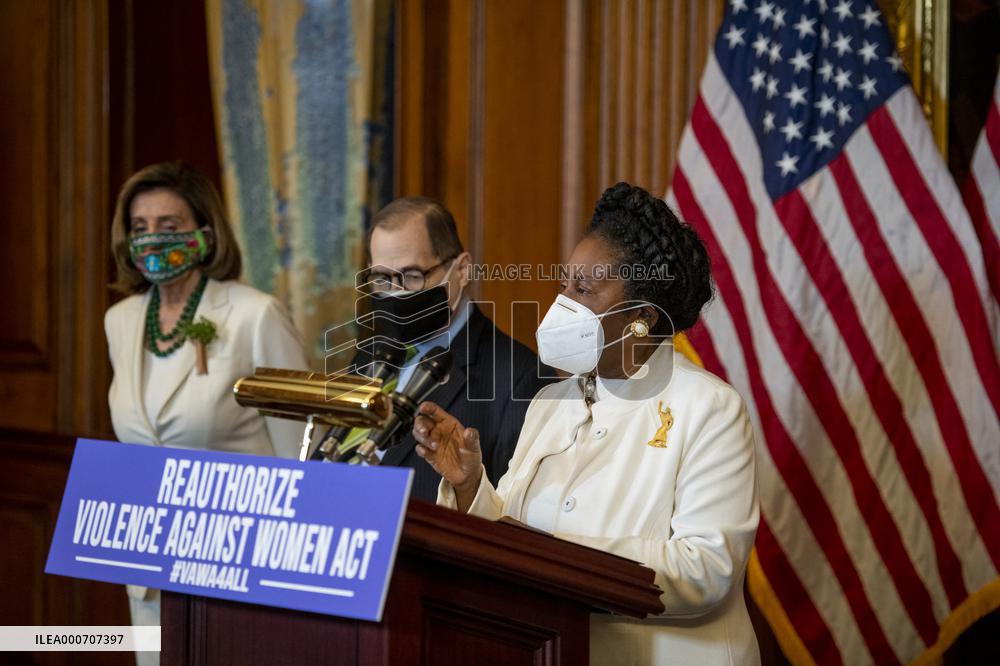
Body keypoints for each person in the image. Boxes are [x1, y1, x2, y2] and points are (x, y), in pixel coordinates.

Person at [413, 183, 760, 665]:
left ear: (640, 318)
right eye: (564, 284)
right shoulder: (551, 400)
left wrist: (556, 557)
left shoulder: (710, 407)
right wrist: (472, 486)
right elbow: (511, 536)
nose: (563, 304)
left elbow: (707, 569)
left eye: (584, 290)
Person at [104, 162, 309, 663]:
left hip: (238, 569)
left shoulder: (253, 314)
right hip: (149, 570)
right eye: (139, 229)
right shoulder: (121, 320)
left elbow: (301, 455)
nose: (151, 241)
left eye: (168, 228)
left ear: (205, 233)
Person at [337, 197, 553, 502]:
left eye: (412, 276)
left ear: (461, 270)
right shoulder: (370, 355)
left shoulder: (518, 377)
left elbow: (511, 511)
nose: (396, 292)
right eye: (382, 279)